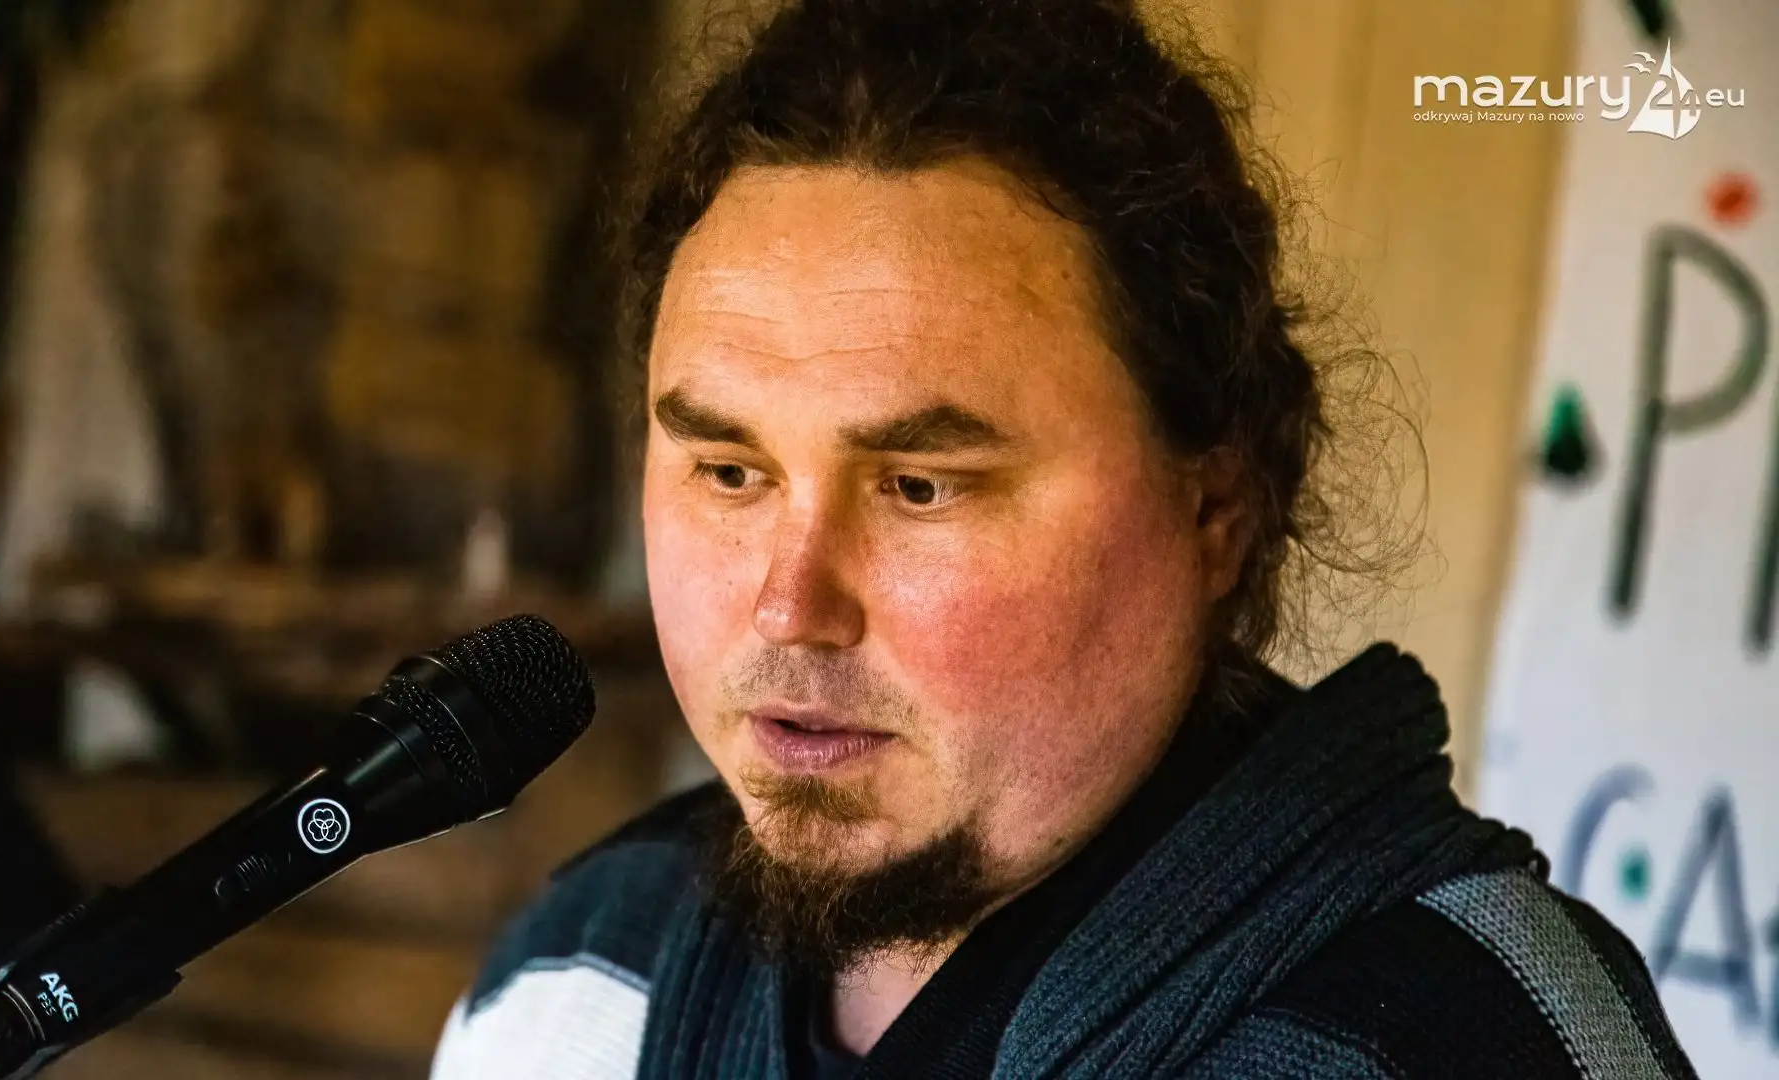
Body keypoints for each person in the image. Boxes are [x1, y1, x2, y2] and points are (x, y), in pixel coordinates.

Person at [430, 1, 1698, 1076]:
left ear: (1215, 514)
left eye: (920, 487)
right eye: (728, 471)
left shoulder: (1467, 1039)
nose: (787, 604)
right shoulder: (576, 977)